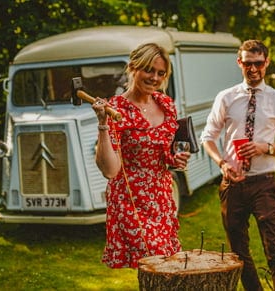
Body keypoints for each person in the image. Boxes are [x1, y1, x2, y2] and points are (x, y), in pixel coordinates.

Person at [200, 39, 275, 291]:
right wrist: (221, 163)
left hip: (264, 182)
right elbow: (207, 137)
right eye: (247, 63)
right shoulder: (226, 97)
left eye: (258, 63)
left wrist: (266, 147)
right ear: (239, 63)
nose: (252, 69)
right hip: (232, 184)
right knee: (238, 252)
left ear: (266, 62)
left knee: (274, 248)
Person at [92, 43, 190, 269]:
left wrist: (175, 159)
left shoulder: (165, 104)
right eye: (149, 69)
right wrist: (102, 124)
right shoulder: (116, 109)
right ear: (133, 67)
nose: (154, 78)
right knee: (155, 264)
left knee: (167, 263)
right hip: (131, 200)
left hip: (162, 198)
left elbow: (165, 151)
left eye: (161, 73)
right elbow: (110, 170)